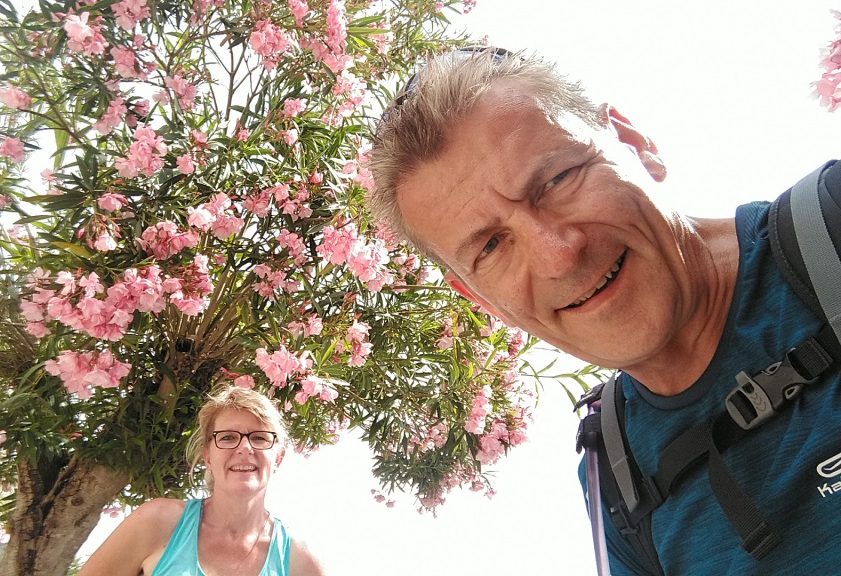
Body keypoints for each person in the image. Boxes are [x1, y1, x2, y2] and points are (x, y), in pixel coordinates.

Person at [369, 47, 841, 574]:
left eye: (556, 180)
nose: (558, 255)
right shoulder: (620, 481)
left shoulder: (833, 229)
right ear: (481, 300)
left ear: (635, 144)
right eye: (491, 246)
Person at [79, 385, 326, 576]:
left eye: (259, 438)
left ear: (278, 457)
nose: (244, 448)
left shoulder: (299, 561)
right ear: (207, 456)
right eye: (227, 437)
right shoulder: (157, 522)